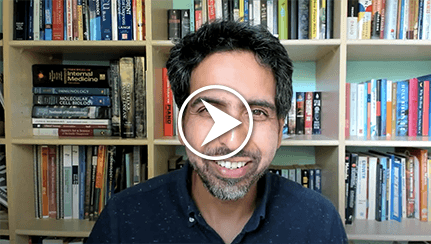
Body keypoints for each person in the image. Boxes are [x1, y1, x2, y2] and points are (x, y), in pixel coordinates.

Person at [86, 20, 347, 244]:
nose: (233, 140)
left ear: (280, 130)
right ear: (181, 126)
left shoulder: (319, 222)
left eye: (257, 112)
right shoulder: (123, 219)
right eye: (209, 111)